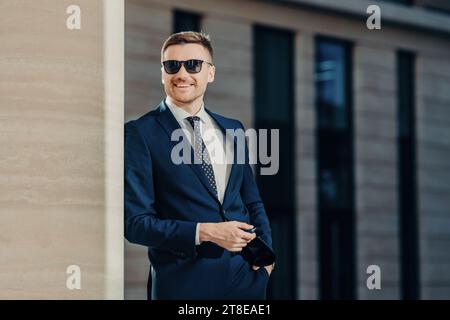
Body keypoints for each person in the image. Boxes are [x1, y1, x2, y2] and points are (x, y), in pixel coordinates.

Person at [124, 31, 274, 300]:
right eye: (172, 66)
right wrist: (205, 232)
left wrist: (266, 263)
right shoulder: (140, 133)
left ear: (211, 73)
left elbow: (252, 202)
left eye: (193, 64)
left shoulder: (233, 129)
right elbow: (136, 224)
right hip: (183, 286)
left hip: (246, 285)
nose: (182, 74)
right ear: (163, 73)